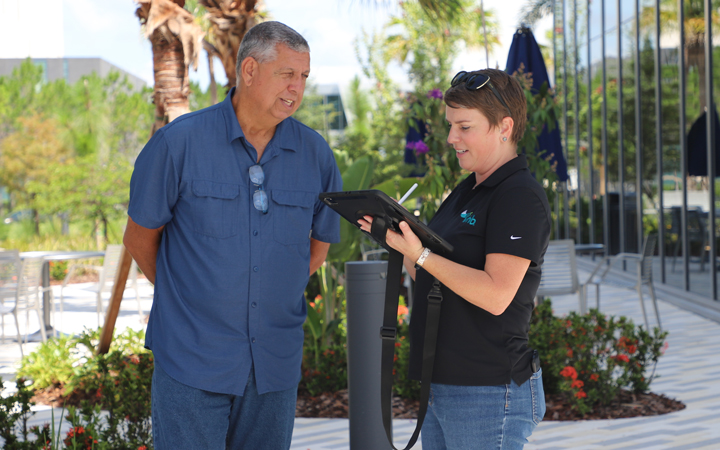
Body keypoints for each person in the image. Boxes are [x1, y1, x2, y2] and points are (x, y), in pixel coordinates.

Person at [123, 21, 341, 450]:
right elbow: (139, 238)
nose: (297, 88)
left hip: (273, 365)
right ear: (250, 71)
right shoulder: (178, 144)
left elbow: (317, 247)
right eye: (287, 74)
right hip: (192, 358)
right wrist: (189, 298)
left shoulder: (315, 153)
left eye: (303, 77)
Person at [360, 68, 550, 449]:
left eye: (464, 127)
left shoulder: (518, 196)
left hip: (488, 387)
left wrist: (422, 254)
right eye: (450, 126)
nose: (451, 138)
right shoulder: (468, 189)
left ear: (504, 127)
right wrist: (401, 245)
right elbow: (433, 275)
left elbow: (497, 296)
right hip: (443, 380)